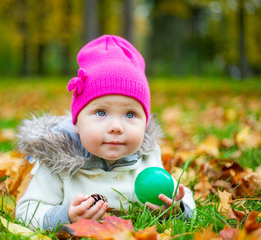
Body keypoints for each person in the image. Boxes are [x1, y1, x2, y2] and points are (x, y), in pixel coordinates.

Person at [15, 35, 196, 231]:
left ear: (145, 123)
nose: (116, 127)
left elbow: (183, 195)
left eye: (130, 114)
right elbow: (26, 211)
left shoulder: (147, 157)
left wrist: (177, 208)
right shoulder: (58, 163)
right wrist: (65, 216)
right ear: (77, 123)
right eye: (101, 112)